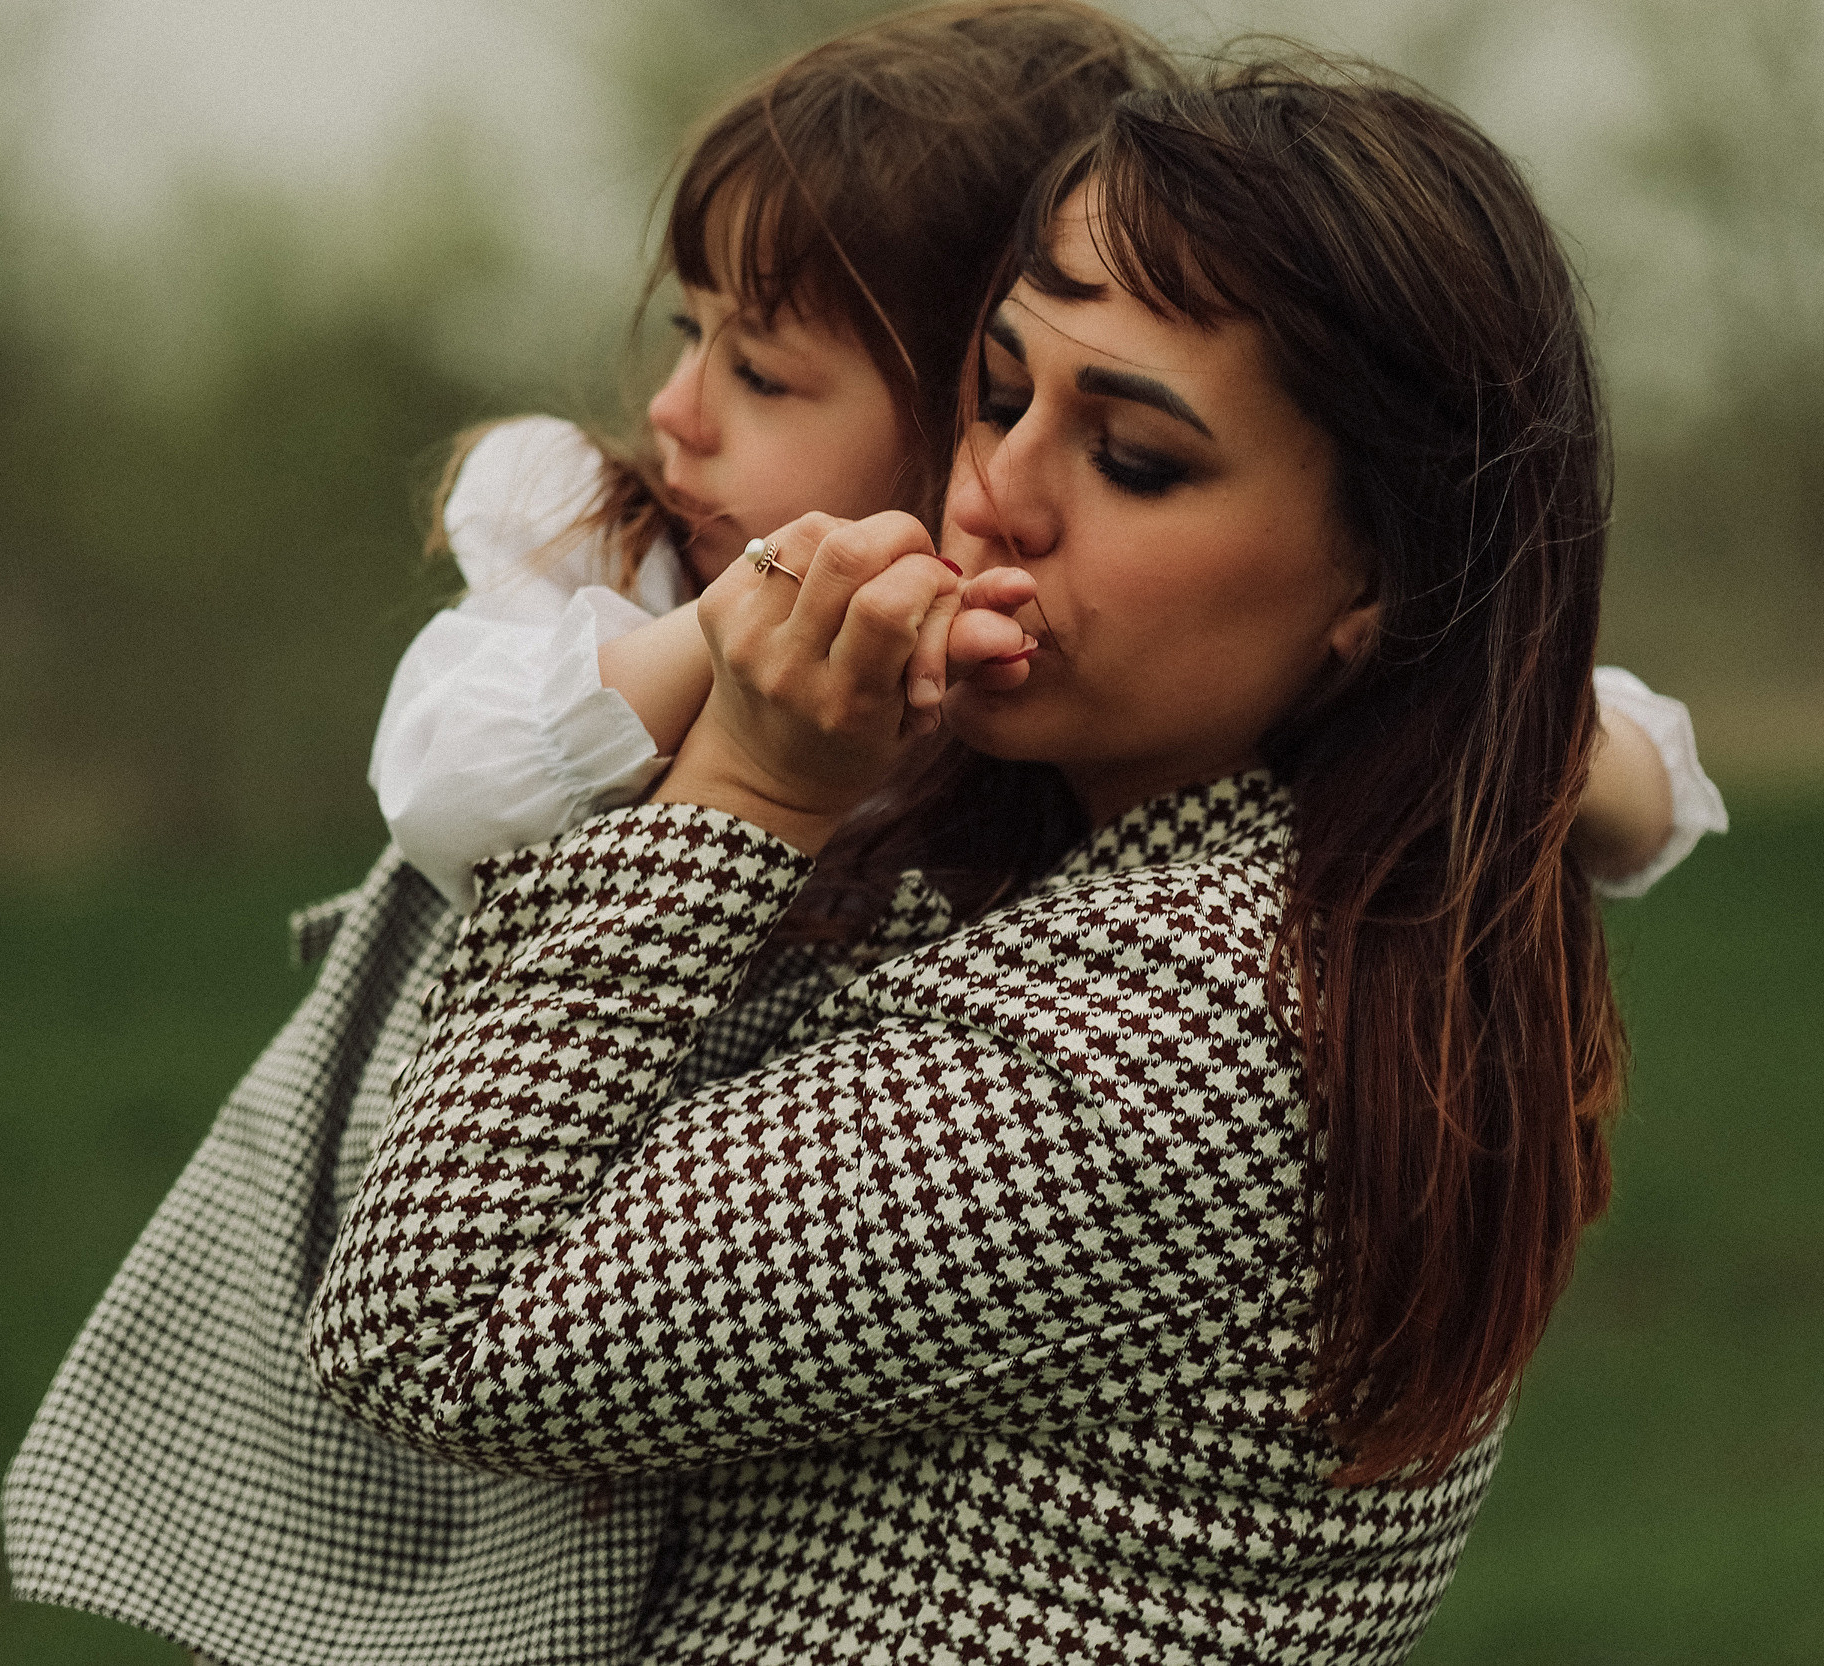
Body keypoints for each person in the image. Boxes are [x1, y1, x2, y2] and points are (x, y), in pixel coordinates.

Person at [306, 59, 1669, 1663]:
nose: (996, 496)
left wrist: (748, 779)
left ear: (1378, 577)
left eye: (1135, 458)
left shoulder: (1172, 1031)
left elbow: (431, 1329)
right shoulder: (1309, 895)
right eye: (999, 391)